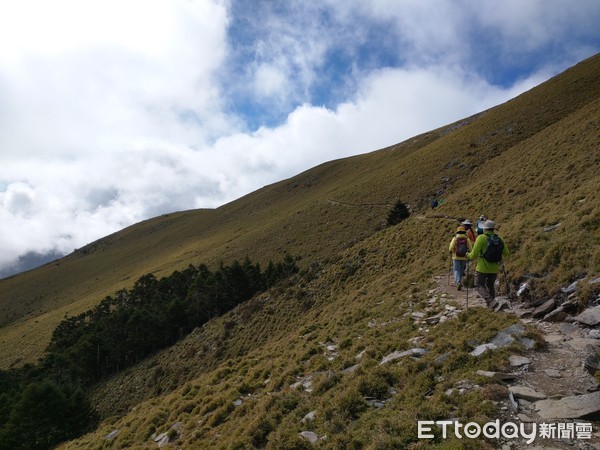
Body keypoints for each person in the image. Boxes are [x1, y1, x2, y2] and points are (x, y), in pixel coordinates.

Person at [467, 220, 509, 308]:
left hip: (482, 267)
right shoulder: (500, 238)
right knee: (490, 285)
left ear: (485, 229)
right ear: (493, 228)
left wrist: (467, 255)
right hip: (494, 267)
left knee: (479, 284)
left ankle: (490, 301)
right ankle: (492, 305)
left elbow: (473, 254)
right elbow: (506, 253)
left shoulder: (481, 238)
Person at [449, 226, 473, 290]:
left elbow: (451, 247)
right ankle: (459, 281)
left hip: (456, 257)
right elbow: (470, 248)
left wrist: (451, 251)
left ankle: (458, 282)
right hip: (464, 257)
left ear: (457, 232)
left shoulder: (455, 238)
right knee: (462, 269)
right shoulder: (467, 239)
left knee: (456, 269)